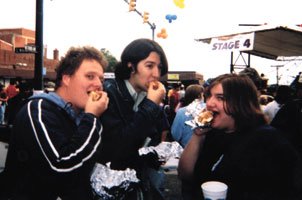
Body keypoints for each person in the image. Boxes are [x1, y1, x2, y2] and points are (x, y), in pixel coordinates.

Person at [0, 46, 109, 200]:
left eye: (101, 79)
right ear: (67, 78)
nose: (98, 84)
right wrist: (92, 117)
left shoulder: (81, 117)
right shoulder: (38, 110)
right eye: (90, 76)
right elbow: (62, 168)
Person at [178, 73, 302, 200]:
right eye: (208, 96)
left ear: (241, 102)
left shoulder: (267, 140)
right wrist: (197, 135)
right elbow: (185, 175)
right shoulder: (214, 133)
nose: (209, 103)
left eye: (220, 98)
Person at [96, 38, 168, 199]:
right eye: (149, 66)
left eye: (159, 67)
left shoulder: (148, 96)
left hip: (138, 182)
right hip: (108, 185)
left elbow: (153, 138)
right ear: (131, 65)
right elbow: (118, 147)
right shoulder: (109, 94)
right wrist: (150, 105)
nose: (156, 74)